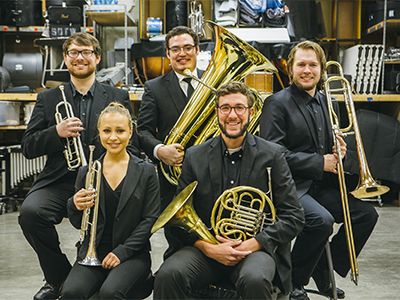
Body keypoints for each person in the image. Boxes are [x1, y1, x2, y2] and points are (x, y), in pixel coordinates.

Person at [154, 81, 305, 300]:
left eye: (239, 108)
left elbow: (294, 216)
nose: (232, 115)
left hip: (255, 250)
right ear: (217, 113)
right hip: (206, 251)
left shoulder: (272, 155)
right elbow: (176, 223)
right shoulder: (195, 156)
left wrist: (254, 243)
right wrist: (208, 248)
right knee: (168, 275)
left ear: (251, 112)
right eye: (225, 108)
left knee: (254, 279)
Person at [18, 32, 141, 300]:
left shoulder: (117, 94)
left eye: (86, 52)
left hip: (105, 180)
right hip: (61, 181)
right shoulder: (48, 98)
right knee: (30, 213)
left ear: (97, 57)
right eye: (73, 53)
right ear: (65, 59)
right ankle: (58, 277)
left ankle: (115, 277)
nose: (80, 58)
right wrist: (56, 132)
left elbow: (134, 144)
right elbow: (28, 146)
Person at [259, 40, 379, 300]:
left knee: (365, 215)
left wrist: (339, 153)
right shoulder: (276, 103)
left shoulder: (328, 101)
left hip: (321, 185)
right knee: (320, 221)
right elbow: (272, 154)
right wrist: (319, 162)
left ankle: (322, 268)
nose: (307, 70)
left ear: (322, 69)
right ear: (290, 68)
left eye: (313, 65)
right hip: (289, 188)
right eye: (301, 64)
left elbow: (330, 150)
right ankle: (292, 281)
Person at [59, 103, 160, 300]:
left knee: (110, 293)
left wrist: (122, 252)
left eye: (120, 131)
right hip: (93, 253)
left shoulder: (147, 171)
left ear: (130, 133)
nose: (113, 137)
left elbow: (151, 219)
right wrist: (74, 204)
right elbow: (78, 223)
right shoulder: (86, 171)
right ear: (99, 133)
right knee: (71, 292)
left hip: (132, 254)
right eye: (107, 131)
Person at [136, 26, 205, 259]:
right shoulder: (154, 88)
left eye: (187, 47)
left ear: (197, 50)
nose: (182, 53)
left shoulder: (214, 84)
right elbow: (142, 131)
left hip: (212, 173)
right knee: (179, 241)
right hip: (173, 177)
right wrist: (159, 150)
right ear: (168, 54)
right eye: (175, 49)